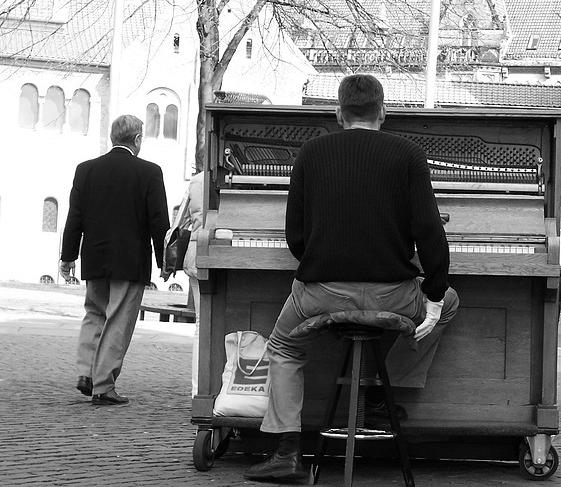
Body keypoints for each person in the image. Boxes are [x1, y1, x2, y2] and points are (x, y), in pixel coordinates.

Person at [243, 74, 459, 482]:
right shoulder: (409, 153)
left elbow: (296, 237)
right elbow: (431, 232)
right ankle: (381, 389)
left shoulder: (310, 152)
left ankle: (287, 453)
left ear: (338, 113)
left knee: (284, 347)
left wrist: (324, 269)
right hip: (395, 296)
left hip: (324, 292)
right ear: (383, 112)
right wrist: (432, 292)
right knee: (449, 304)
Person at [60, 115, 170, 406]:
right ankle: (103, 385)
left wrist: (68, 256)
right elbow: (159, 221)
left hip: (95, 258)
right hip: (130, 260)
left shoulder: (86, 170)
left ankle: (85, 372)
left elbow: (75, 217)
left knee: (94, 313)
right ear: (136, 139)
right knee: (118, 320)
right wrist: (165, 260)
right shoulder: (149, 172)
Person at [161, 171, 204, 397]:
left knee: (202, 325)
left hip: (197, 256)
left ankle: (199, 391)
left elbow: (178, 225)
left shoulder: (196, 181)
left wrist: (167, 264)